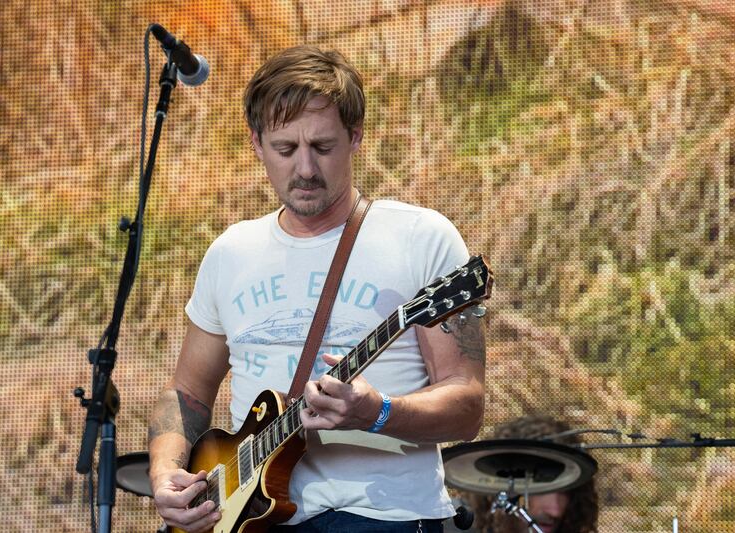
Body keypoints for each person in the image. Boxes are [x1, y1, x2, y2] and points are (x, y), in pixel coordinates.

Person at [147, 45, 487, 533]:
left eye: (322, 147)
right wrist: (165, 473)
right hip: (248, 518)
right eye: (285, 149)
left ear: (355, 136)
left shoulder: (421, 237)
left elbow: (467, 406)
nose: (305, 169)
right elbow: (188, 394)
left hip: (381, 516)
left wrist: (377, 412)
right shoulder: (230, 252)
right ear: (256, 143)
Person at [463, 415, 599, 533]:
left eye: (565, 490)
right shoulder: (455, 525)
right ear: (503, 479)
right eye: (541, 488)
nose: (555, 510)